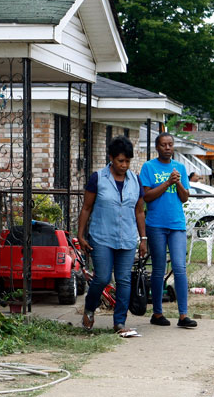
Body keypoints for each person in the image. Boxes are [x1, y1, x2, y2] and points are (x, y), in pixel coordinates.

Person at [77, 135, 148, 334]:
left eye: (127, 161)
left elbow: (139, 211)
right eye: (120, 161)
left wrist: (143, 239)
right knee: (102, 278)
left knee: (124, 279)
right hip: (101, 237)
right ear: (111, 158)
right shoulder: (97, 178)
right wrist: (81, 235)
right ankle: (89, 310)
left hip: (127, 238)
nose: (124, 165)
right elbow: (86, 208)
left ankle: (119, 323)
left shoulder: (135, 180)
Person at [140, 132, 197, 328]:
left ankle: (183, 315)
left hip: (177, 224)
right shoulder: (148, 167)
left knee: (180, 268)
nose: (167, 147)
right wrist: (167, 182)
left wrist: (178, 182)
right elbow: (147, 196)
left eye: (170, 144)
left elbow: (185, 197)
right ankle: (157, 313)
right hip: (156, 224)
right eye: (163, 144)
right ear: (157, 147)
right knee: (158, 269)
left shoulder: (180, 168)